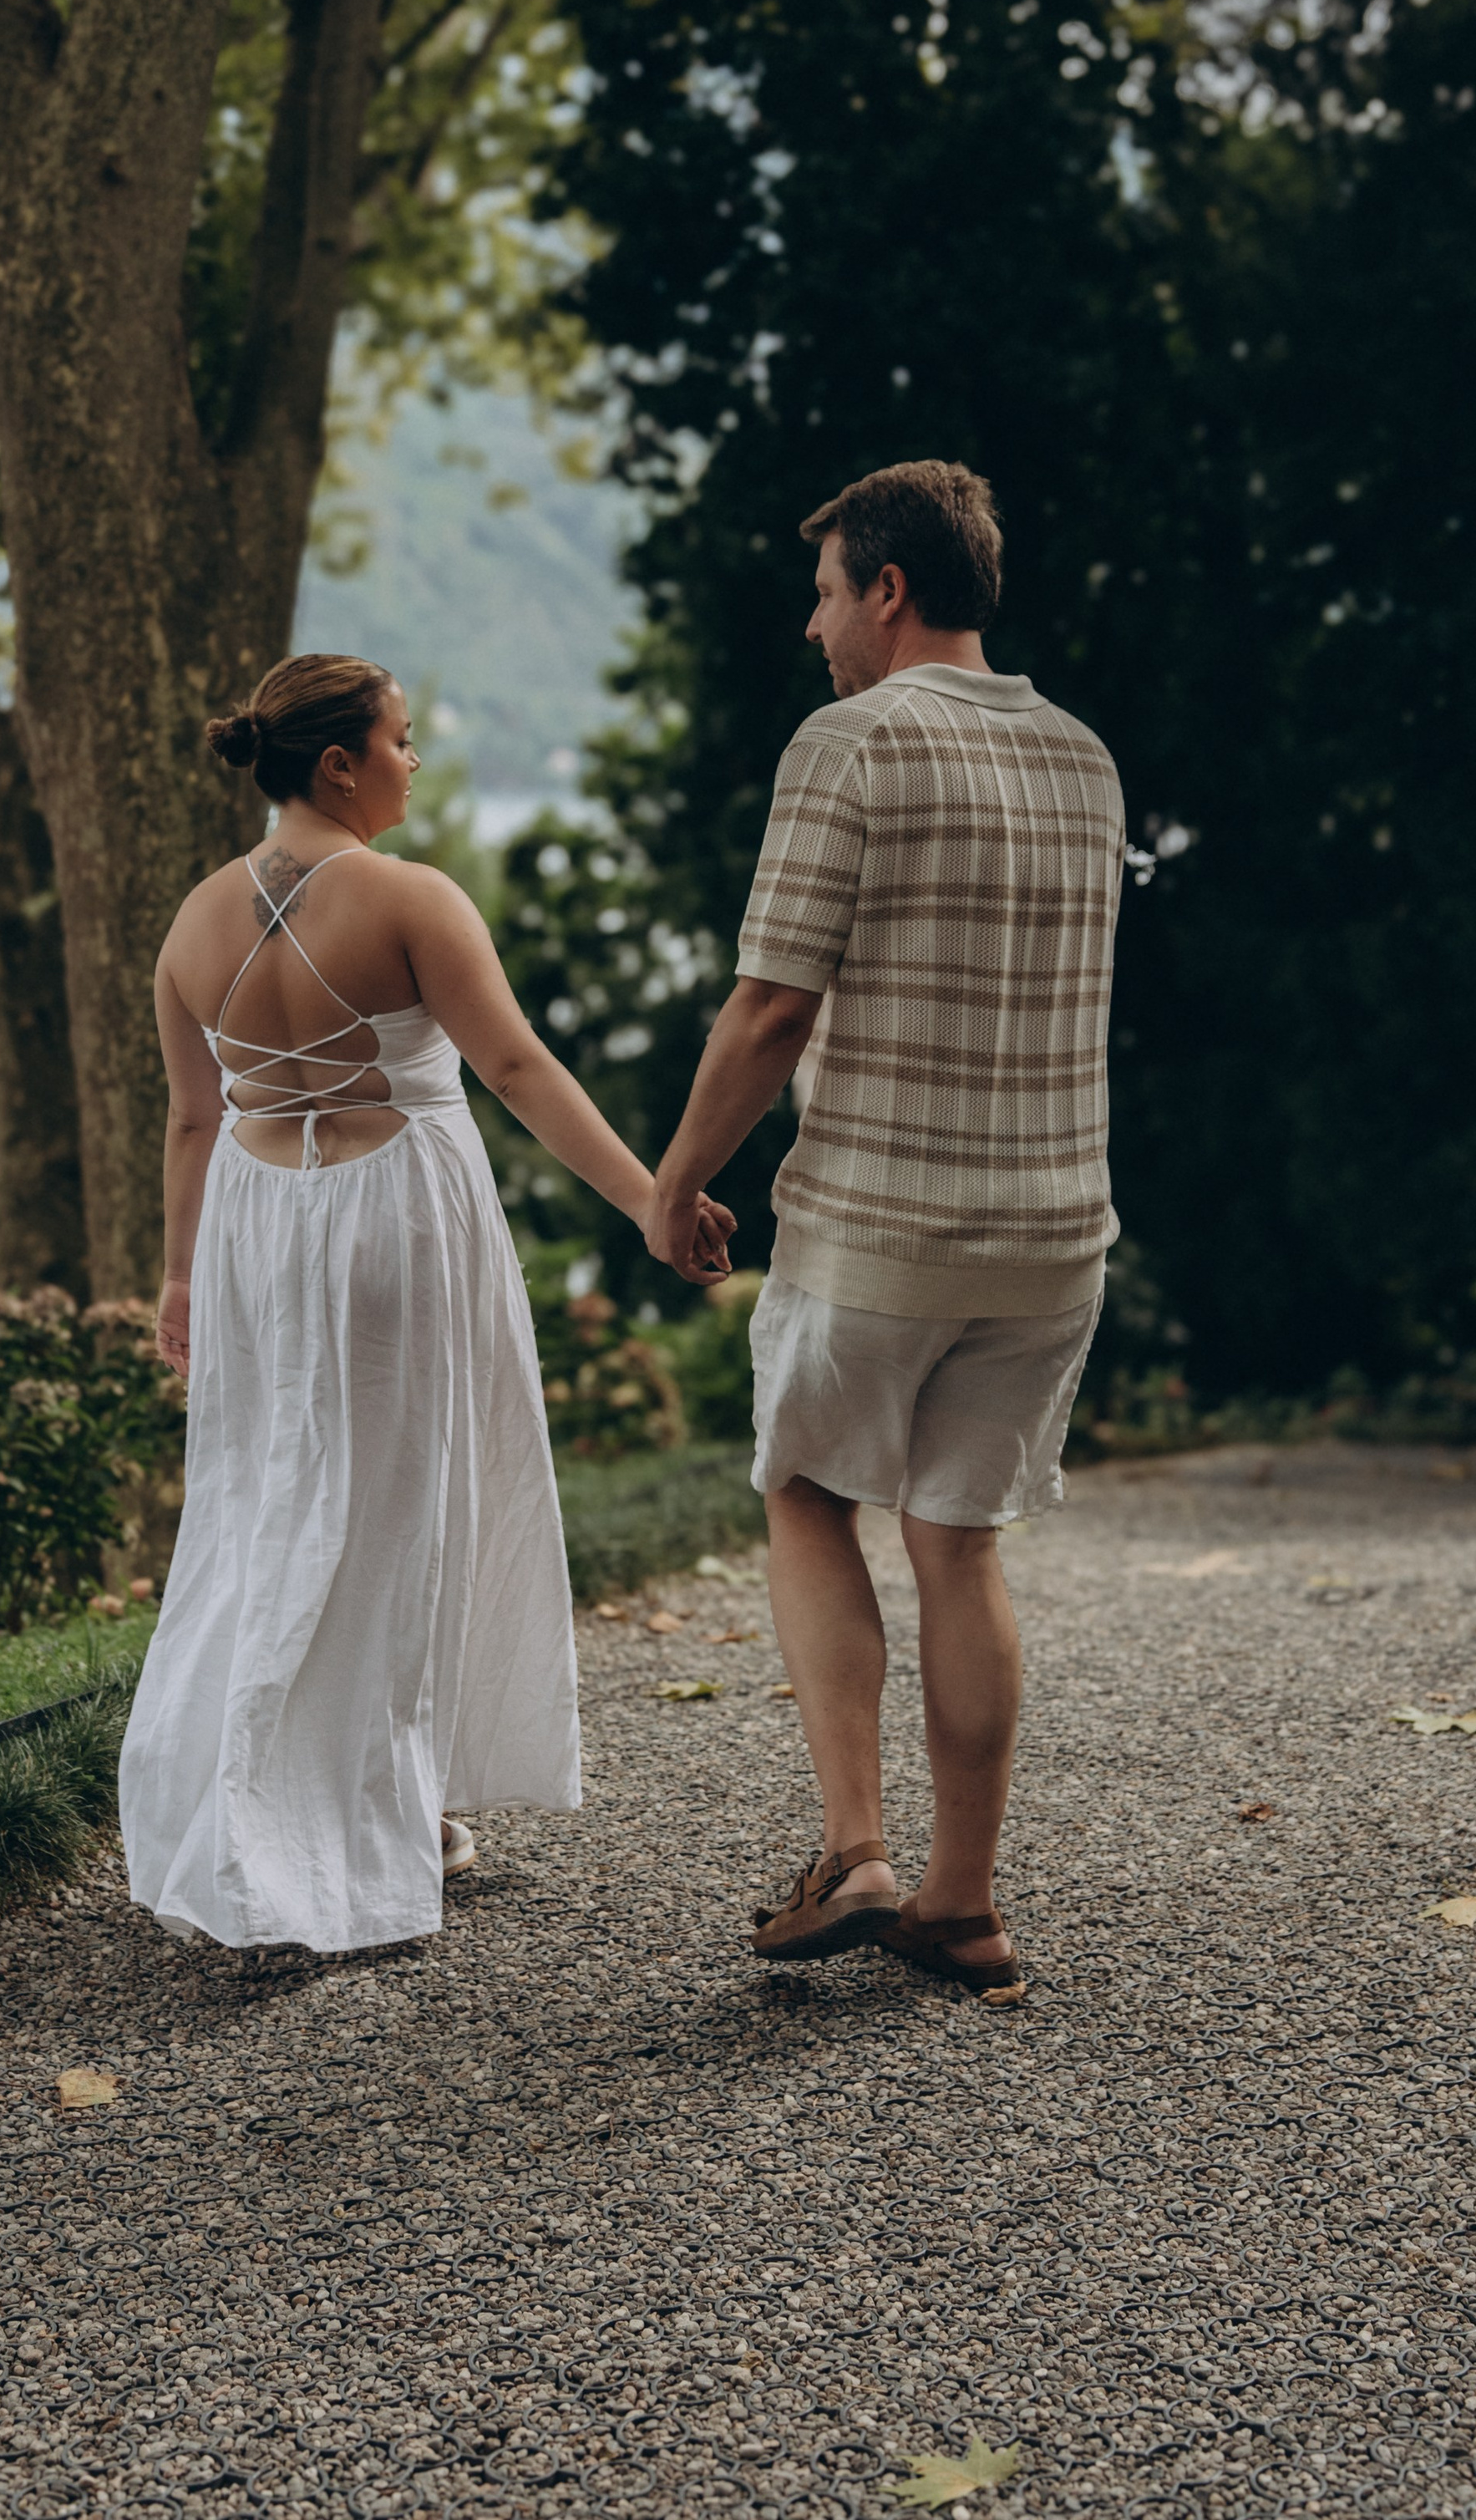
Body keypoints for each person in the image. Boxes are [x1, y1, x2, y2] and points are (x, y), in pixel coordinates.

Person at [119, 653, 727, 1956]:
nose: (411, 761)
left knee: (265, 1501)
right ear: (338, 764)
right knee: (410, 1509)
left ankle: (270, 1794)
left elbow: (190, 1118)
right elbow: (512, 1065)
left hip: (256, 1233)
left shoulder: (190, 925)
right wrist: (648, 1202)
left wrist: (179, 1277)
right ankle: (393, 1811)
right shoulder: (410, 900)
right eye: (399, 741)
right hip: (398, 1219)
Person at [642, 463, 1124, 1994]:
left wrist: (675, 1179)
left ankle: (853, 1849)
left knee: (802, 1491)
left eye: (826, 590)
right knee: (960, 1547)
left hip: (879, 1221)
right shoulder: (1085, 754)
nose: (814, 624)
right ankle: (961, 1905)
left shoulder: (850, 742)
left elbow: (775, 1001)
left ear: (888, 590)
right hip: (1052, 1230)